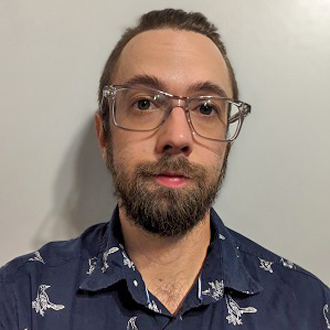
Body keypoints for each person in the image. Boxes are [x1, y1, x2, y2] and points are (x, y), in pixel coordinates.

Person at [0, 8, 329, 330]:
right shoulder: (17, 299)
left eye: (205, 108)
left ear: (226, 143)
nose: (177, 137)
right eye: (144, 103)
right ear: (104, 136)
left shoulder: (308, 309)